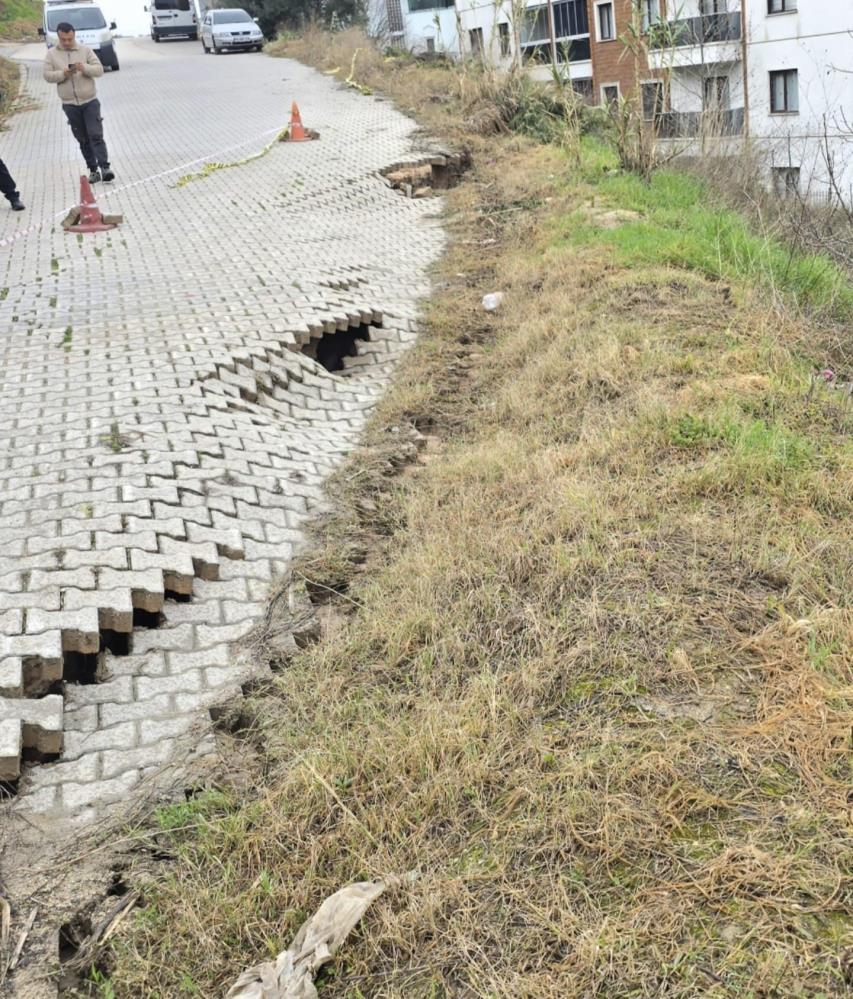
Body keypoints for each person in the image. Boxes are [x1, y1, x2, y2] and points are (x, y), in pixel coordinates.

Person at [43, 24, 115, 184]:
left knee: (96, 135)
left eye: (70, 39)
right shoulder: (51, 54)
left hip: (90, 101)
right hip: (69, 104)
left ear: (74, 35)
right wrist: (63, 73)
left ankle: (105, 168)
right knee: (82, 139)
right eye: (63, 39)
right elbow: (47, 75)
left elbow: (99, 70)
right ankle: (93, 170)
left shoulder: (85, 50)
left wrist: (84, 68)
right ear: (59, 37)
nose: (67, 42)